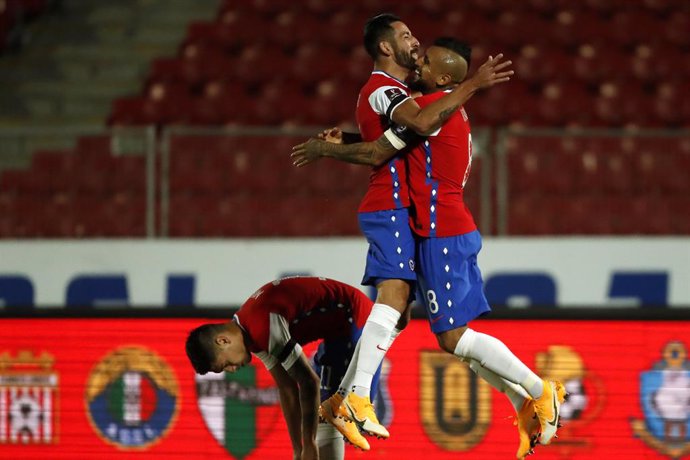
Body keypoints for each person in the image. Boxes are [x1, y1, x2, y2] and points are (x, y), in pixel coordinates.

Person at [291, 38, 566, 460]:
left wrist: (328, 149)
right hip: (436, 230)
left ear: (442, 78)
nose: (416, 58)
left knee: (454, 338)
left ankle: (538, 389)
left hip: (444, 233)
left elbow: (387, 146)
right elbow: (396, 145)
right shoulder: (435, 108)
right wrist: (345, 138)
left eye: (426, 59)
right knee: (439, 334)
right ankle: (526, 403)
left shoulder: (436, 109)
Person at [185, 276, 382, 459]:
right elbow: (287, 389)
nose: (233, 370)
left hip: (357, 318)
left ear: (223, 341)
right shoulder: (250, 334)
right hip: (338, 330)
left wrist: (309, 443)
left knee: (343, 414)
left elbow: (308, 382)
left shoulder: (263, 325)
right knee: (325, 416)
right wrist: (298, 449)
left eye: (225, 365)